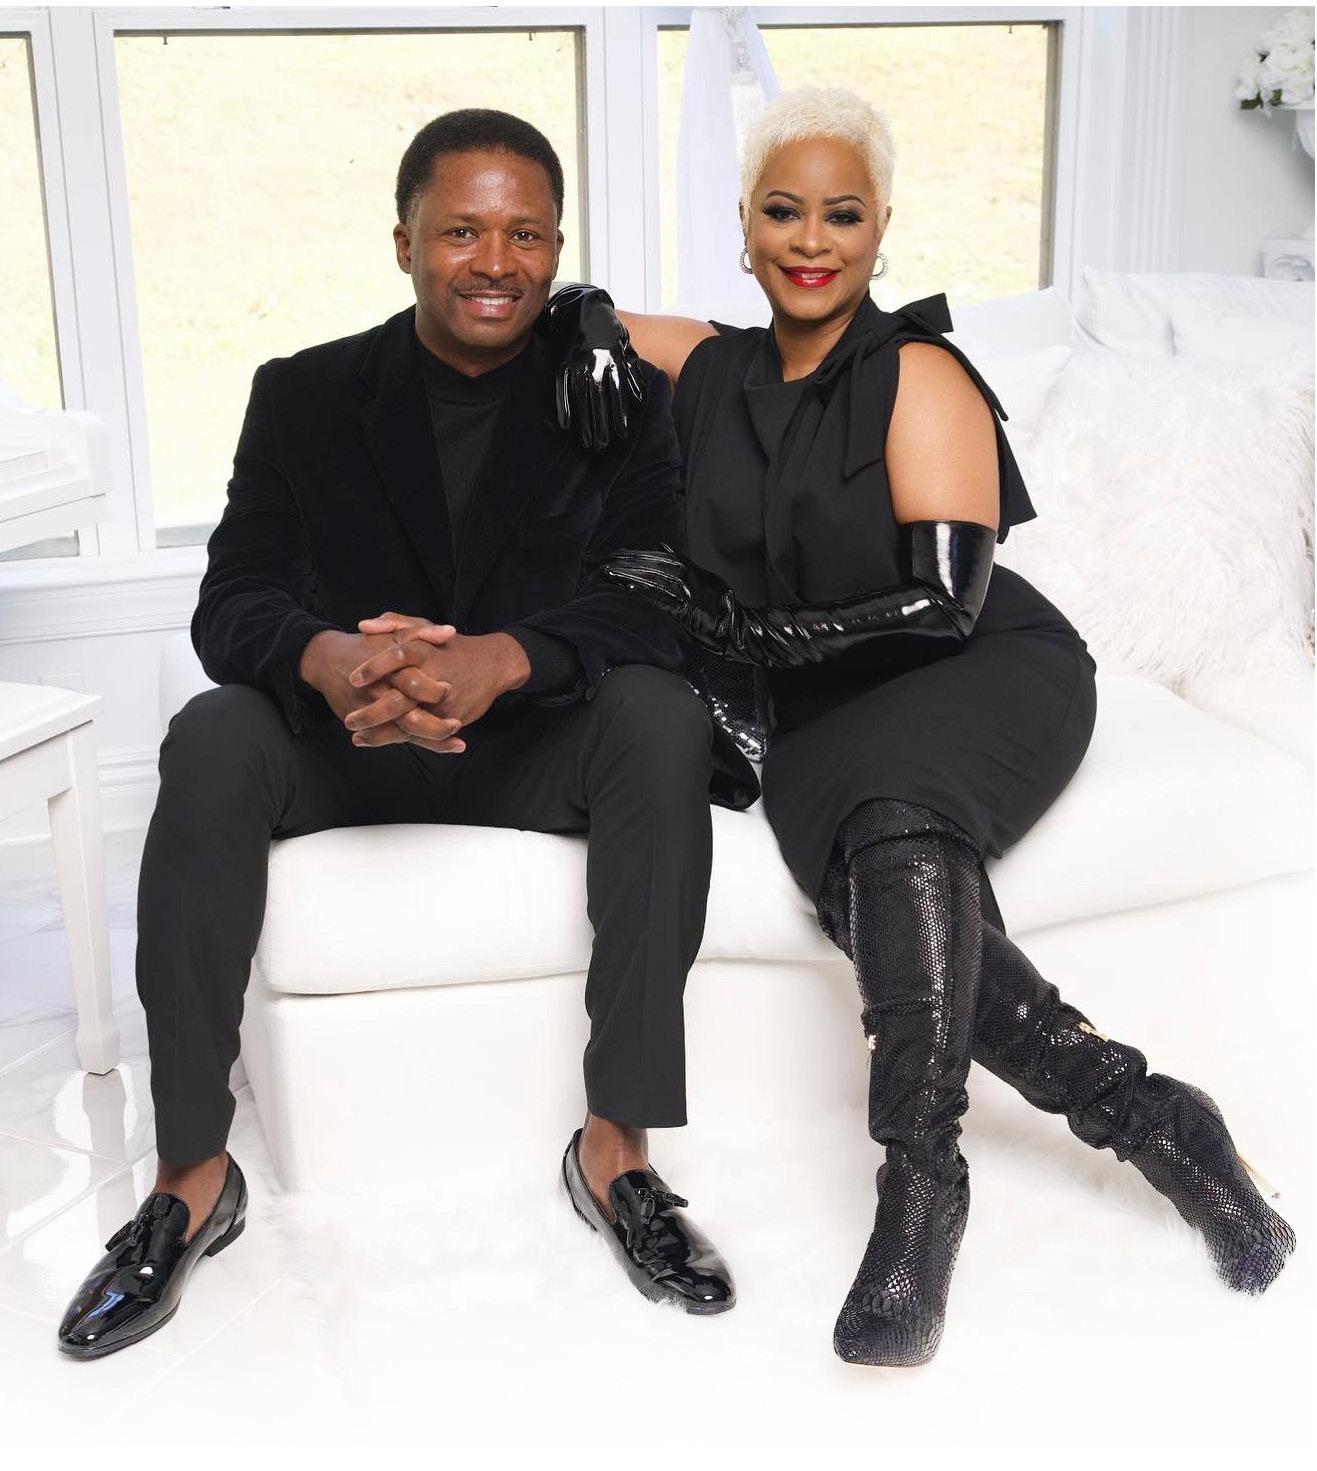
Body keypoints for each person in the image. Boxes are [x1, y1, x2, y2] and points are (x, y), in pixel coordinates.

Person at [564, 85, 1295, 1366]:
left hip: (977, 667)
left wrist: (736, 633)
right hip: (820, 711)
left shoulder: (919, 372)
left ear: (882, 228)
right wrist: (580, 322)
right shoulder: (717, 365)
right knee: (878, 870)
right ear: (743, 225)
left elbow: (943, 604)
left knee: (895, 814)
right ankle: (1158, 1118)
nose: (811, 239)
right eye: (783, 210)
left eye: (842, 214)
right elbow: (586, 313)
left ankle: (919, 1188)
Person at [56, 108, 750, 1360]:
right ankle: (190, 1180)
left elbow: (655, 597)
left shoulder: (619, 400)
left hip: (527, 741)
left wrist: (505, 659)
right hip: (352, 741)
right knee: (212, 733)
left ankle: (619, 1152)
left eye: (527, 234)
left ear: (557, 249)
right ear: (404, 242)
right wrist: (325, 658)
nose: (497, 262)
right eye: (463, 231)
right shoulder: (303, 393)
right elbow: (234, 596)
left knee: (660, 714)